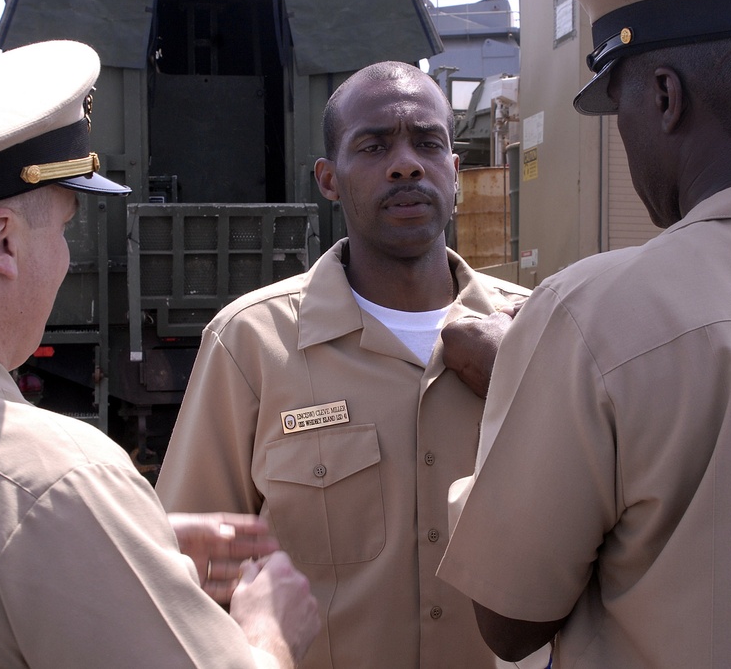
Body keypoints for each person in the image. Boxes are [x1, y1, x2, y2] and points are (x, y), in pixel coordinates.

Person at [436, 0, 731, 667]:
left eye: (623, 109)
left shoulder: (591, 316)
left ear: (666, 97)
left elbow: (509, 620)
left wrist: (519, 402)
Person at [0, 39, 319, 668]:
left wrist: (121, 543)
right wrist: (269, 634)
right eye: (60, 229)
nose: (62, 256)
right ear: (3, 242)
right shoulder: (55, 480)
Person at [156, 60, 529, 668]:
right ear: (328, 179)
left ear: (455, 172)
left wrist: (525, 381)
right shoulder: (252, 344)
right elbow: (186, 565)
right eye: (374, 146)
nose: (406, 163)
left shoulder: (540, 333)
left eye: (428, 143)